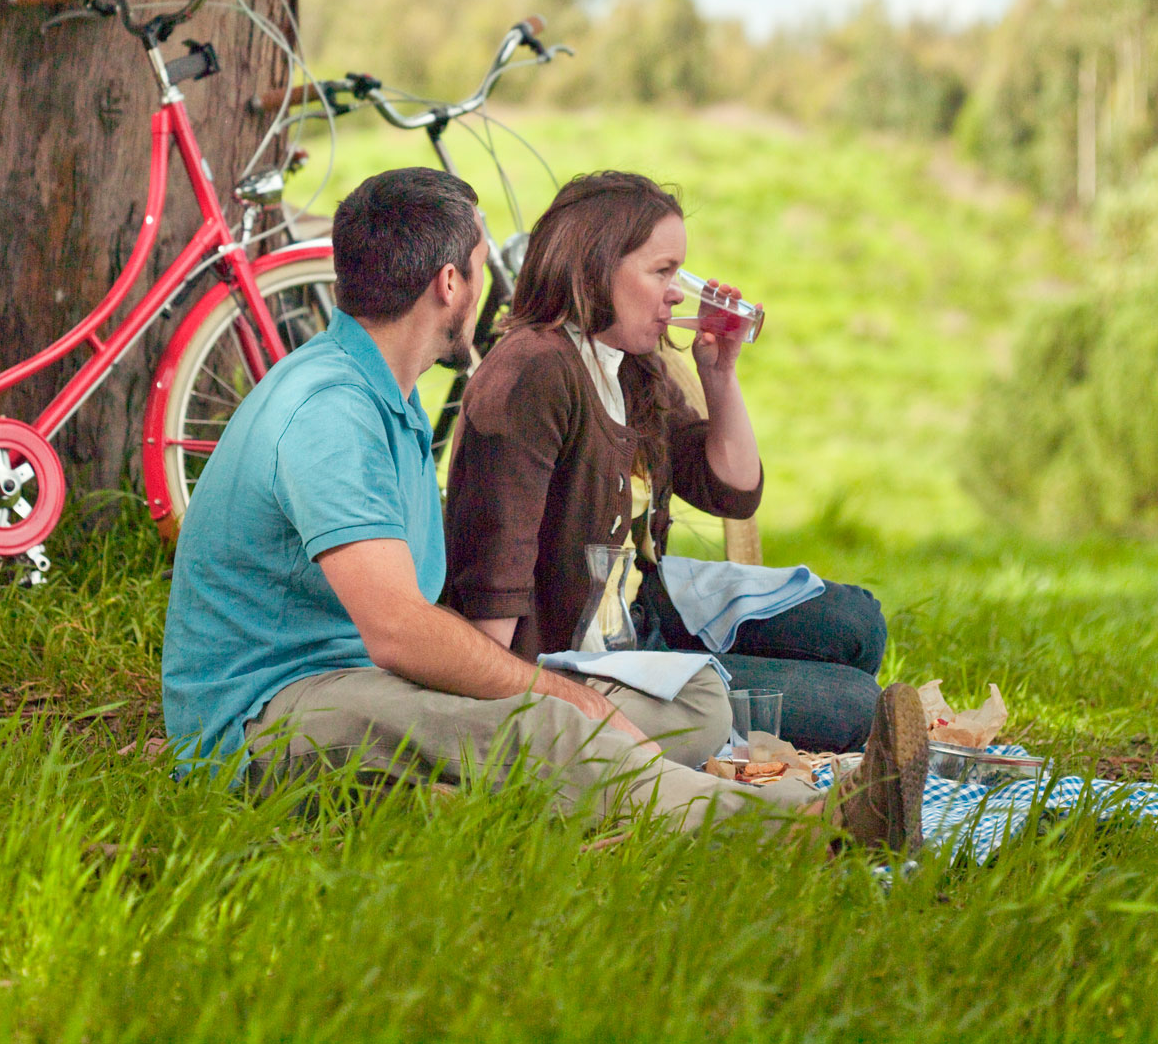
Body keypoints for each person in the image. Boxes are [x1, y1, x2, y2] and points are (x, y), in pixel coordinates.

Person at [163, 165, 926, 849]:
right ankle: (817, 826)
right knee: (550, 724)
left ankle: (476, 800)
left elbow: (727, 484)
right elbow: (397, 628)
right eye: (477, 262)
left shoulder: (382, 400)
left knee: (691, 705)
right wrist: (559, 695)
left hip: (356, 683)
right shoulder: (327, 411)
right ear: (449, 284)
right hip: (266, 717)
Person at [443, 171, 887, 755]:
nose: (677, 292)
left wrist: (719, 373)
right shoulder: (535, 373)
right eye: (662, 271)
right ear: (596, 267)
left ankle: (716, 692)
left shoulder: (628, 361)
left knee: (858, 623)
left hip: (638, 611)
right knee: (856, 705)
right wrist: (512, 714)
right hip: (579, 654)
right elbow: (492, 588)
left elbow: (732, 490)